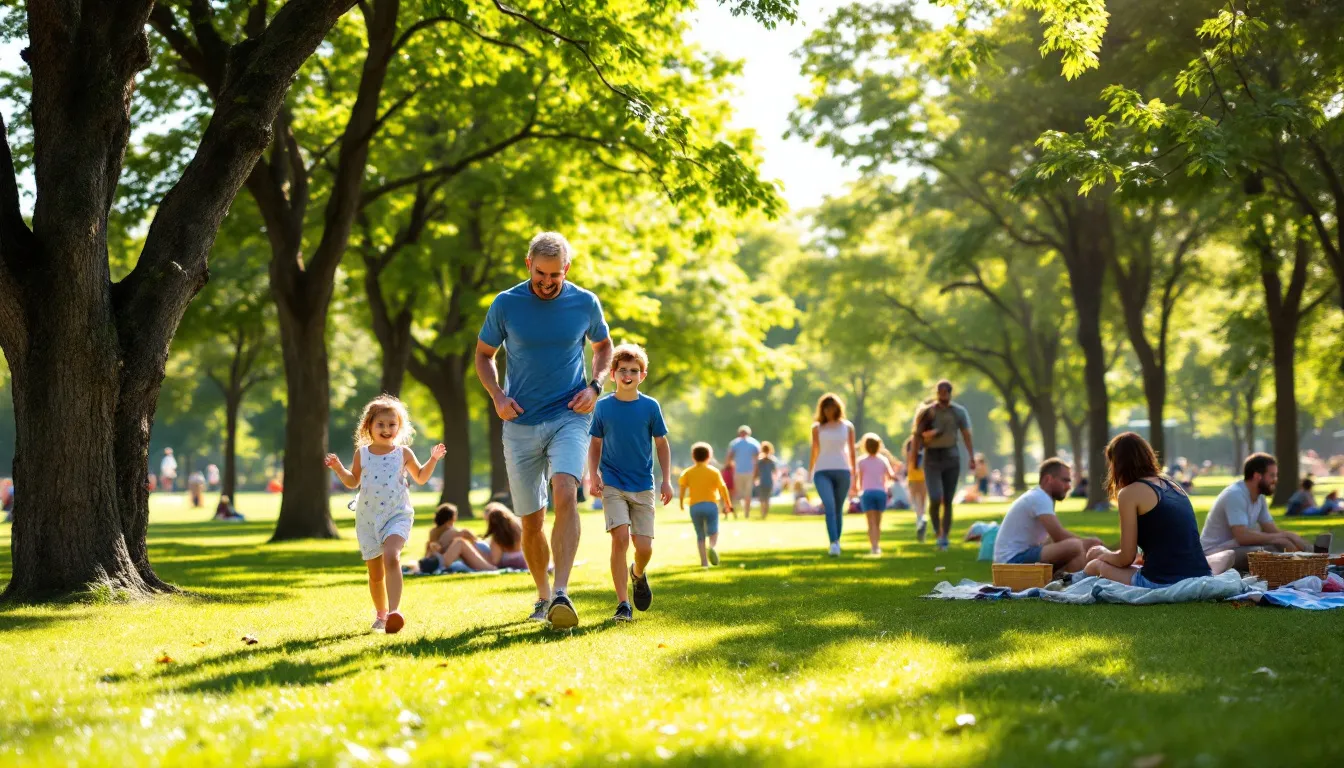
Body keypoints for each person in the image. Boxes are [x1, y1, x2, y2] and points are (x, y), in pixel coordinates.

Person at [475, 231, 612, 629]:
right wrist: (498, 397)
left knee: (566, 490)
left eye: (555, 274)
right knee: (531, 521)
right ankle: (543, 594)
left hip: (570, 413)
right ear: (528, 265)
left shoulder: (585, 302)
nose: (548, 282)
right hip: (519, 421)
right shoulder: (506, 304)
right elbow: (484, 355)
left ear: (566, 269)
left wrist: (595, 386)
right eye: (540, 274)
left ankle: (563, 592)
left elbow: (603, 348)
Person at [324, 395, 446, 634]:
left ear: (399, 427)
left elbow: (420, 477)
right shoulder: (363, 453)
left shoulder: (403, 453)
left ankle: (394, 612)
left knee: (392, 556)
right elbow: (352, 481)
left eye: (392, 424)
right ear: (368, 426)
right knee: (375, 573)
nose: (387, 429)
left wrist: (433, 459)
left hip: (397, 515)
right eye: (380, 424)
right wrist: (339, 468)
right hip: (368, 519)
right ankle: (380, 615)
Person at [587, 343, 673, 623]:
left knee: (644, 547)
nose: (628, 374)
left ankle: (638, 573)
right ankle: (623, 604)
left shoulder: (650, 407)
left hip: (643, 485)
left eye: (633, 371)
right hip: (612, 483)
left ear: (642, 375)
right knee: (620, 539)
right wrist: (593, 474)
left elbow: (661, 443)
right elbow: (595, 444)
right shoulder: (603, 407)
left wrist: (667, 481)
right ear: (613, 374)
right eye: (622, 370)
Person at [1082, 432, 1211, 587]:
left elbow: (1126, 559)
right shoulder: (1174, 485)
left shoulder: (1129, 493)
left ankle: (1068, 584)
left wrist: (1102, 554)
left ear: (1117, 464)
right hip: (1200, 574)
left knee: (1094, 566)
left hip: (1162, 581)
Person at [1200, 454, 1311, 574]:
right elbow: (1242, 537)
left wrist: (1290, 536)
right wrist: (1280, 539)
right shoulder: (1235, 495)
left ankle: (1314, 561)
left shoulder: (1259, 498)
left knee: (1277, 547)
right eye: (1272, 475)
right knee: (1266, 553)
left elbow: (1271, 530)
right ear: (1257, 476)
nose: (1275, 480)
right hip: (1215, 554)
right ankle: (1300, 571)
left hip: (1235, 548)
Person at [993, 459, 1104, 575]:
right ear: (1048, 479)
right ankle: (1074, 585)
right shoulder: (1040, 498)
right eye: (1065, 481)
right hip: (1011, 561)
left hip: (1014, 558)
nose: (1068, 487)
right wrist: (1088, 542)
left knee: (1076, 549)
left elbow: (1050, 540)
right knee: (1075, 546)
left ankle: (1066, 582)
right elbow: (1059, 536)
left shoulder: (1039, 496)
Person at [911, 381, 975, 551]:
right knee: (934, 497)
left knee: (947, 499)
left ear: (950, 393)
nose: (942, 394)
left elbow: (966, 434)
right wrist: (915, 456)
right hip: (932, 458)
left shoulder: (958, 412)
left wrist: (971, 456)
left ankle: (944, 536)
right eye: (940, 391)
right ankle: (937, 531)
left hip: (951, 456)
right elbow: (917, 435)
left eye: (945, 391)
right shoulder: (928, 412)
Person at [809, 393, 857, 557]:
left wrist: (855, 474)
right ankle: (834, 543)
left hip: (843, 471)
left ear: (837, 408)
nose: (829, 411)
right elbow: (814, 450)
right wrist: (810, 471)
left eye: (832, 408)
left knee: (838, 508)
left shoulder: (847, 426)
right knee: (829, 506)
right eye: (826, 408)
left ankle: (837, 540)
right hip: (822, 471)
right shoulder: (817, 428)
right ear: (822, 410)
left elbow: (852, 451)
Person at [419, 502, 528, 573]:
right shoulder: (515, 533)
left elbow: (494, 562)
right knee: (459, 542)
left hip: (492, 568)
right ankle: (437, 561)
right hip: (496, 565)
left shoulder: (498, 538)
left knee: (460, 543)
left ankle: (437, 563)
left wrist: (473, 547)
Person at [679, 442, 733, 568]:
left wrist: (681, 503)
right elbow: (723, 488)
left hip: (695, 506)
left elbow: (682, 489)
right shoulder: (714, 472)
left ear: (693, 457)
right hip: (711, 505)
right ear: (709, 456)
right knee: (714, 531)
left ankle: (704, 562)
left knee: (700, 535)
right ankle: (712, 546)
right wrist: (728, 504)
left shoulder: (688, 472)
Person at [856, 434, 898, 555]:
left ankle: (873, 546)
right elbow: (890, 476)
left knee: (870, 522)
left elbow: (859, 478)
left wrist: (857, 489)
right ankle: (877, 546)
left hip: (867, 492)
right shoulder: (883, 460)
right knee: (878, 522)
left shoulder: (861, 461)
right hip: (880, 493)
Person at [727, 426, 762, 519]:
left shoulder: (734, 443)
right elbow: (758, 459)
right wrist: (757, 473)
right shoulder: (754, 443)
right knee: (748, 494)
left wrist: (730, 466)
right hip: (750, 472)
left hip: (738, 472)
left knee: (737, 493)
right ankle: (746, 513)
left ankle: (736, 513)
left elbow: (729, 457)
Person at [903, 437, 928, 542]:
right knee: (923, 502)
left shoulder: (910, 443)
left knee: (915, 501)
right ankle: (922, 518)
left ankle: (919, 521)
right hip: (924, 476)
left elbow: (908, 461)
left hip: (913, 476)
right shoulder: (925, 443)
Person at [755, 442, 779, 519]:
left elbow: (756, 472)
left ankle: (762, 512)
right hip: (769, 481)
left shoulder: (760, 461)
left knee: (762, 498)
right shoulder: (772, 461)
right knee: (767, 498)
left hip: (762, 481)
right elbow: (775, 472)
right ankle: (765, 513)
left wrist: (755, 479)